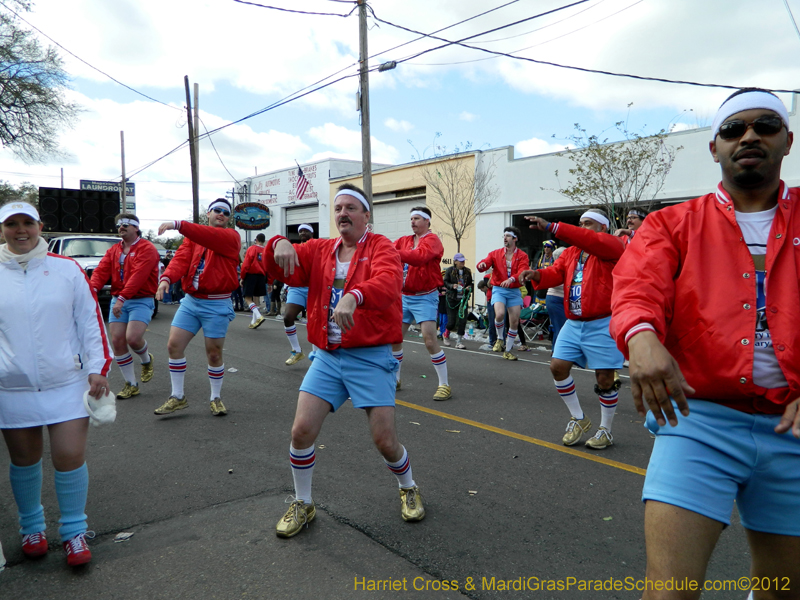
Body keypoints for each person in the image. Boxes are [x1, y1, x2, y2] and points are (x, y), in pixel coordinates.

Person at [611, 88, 800, 599]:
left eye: (765, 125)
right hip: (699, 422)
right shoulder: (671, 224)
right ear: (714, 147)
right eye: (734, 130)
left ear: (787, 139)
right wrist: (642, 338)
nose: (750, 136)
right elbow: (636, 290)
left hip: (795, 428)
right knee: (669, 593)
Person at [263, 183, 425, 538]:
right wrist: (278, 243)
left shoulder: (381, 247)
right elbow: (273, 268)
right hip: (327, 357)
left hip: (370, 357)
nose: (343, 214)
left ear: (366, 216)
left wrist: (354, 295)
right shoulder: (320, 250)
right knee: (301, 431)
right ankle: (303, 503)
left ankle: (408, 486)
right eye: (338, 208)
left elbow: (387, 282)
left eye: (351, 208)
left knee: (385, 440)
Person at [0, 201, 112, 567]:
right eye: (12, 224)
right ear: (2, 229)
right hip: (12, 388)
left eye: (27, 223)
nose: (20, 231)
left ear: (39, 226)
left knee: (69, 457)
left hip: (66, 383)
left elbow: (89, 320)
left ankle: (73, 532)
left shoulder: (67, 269)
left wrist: (98, 367)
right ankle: (31, 528)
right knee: (25, 460)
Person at [522, 209, 626, 449]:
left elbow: (592, 241)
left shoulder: (613, 246)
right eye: (580, 223)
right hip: (574, 321)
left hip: (603, 322)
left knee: (605, 379)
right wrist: (536, 273)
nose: (582, 227)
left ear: (602, 228)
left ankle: (606, 430)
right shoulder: (570, 253)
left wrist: (553, 227)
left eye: (587, 224)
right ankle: (578, 418)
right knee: (557, 367)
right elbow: (555, 273)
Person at [154, 198, 241, 417]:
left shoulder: (231, 237)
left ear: (229, 219)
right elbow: (181, 260)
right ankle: (178, 396)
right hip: (191, 301)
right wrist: (166, 278)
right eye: (217, 210)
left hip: (217, 303)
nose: (221, 214)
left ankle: (215, 397)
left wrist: (178, 224)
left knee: (213, 354)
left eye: (226, 212)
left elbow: (209, 236)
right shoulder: (194, 239)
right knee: (174, 346)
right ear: (208, 214)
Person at [90, 214, 160, 400]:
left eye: (126, 224)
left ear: (136, 228)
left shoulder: (147, 248)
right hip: (118, 298)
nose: (121, 227)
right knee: (118, 340)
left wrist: (122, 297)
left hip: (141, 298)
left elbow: (139, 275)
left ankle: (146, 359)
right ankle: (131, 384)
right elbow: (101, 271)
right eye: (119, 225)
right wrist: (90, 291)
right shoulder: (114, 250)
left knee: (133, 338)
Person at [392, 206, 450, 401]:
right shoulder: (405, 241)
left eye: (417, 218)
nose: (413, 222)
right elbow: (388, 250)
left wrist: (395, 252)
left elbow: (419, 258)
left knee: (429, 340)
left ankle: (444, 384)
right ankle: (396, 379)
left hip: (425, 296)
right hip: (404, 296)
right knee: (395, 338)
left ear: (427, 221)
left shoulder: (432, 240)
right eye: (411, 219)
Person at [476, 226, 530, 361]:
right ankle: (500, 338)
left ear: (515, 239)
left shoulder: (522, 256)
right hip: (499, 289)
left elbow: (523, 271)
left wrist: (511, 279)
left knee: (514, 322)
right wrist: (482, 265)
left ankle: (508, 350)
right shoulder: (496, 253)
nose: (505, 238)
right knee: (499, 314)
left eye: (508, 236)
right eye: (504, 236)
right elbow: (486, 262)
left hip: (514, 290)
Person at [283, 224, 314, 365]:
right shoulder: (294, 248)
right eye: (300, 231)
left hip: (315, 287)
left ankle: (317, 355)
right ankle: (297, 350)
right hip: (297, 288)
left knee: (315, 322)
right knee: (288, 317)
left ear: (312, 233)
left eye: (306, 230)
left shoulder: (318, 247)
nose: (302, 233)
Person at [443, 253, 473, 349]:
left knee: (462, 320)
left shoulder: (468, 272)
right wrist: (452, 286)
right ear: (455, 261)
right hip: (451, 298)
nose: (462, 262)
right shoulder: (449, 270)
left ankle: (459, 341)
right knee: (451, 321)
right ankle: (446, 334)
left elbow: (471, 283)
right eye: (460, 261)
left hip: (463, 299)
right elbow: (445, 282)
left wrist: (469, 287)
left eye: (463, 261)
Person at [241, 233, 268, 329]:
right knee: (255, 298)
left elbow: (246, 263)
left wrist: (242, 277)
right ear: (264, 241)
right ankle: (254, 320)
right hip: (261, 276)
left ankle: (258, 315)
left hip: (251, 274)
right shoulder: (266, 251)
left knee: (247, 298)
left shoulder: (252, 248)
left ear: (256, 240)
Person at [544, 245, 567, 348]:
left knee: (561, 327)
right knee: (561, 328)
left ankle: (558, 352)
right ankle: (557, 352)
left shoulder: (564, 268)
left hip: (559, 299)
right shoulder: (555, 269)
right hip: (555, 299)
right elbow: (554, 283)